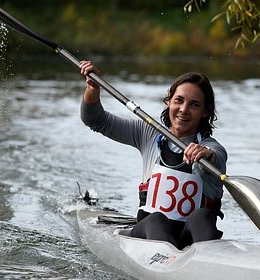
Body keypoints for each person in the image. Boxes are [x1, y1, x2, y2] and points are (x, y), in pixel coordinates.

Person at [80, 60, 228, 250]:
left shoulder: (212, 149)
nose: (184, 110)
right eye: (179, 100)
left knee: (202, 216)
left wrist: (206, 154)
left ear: (205, 111)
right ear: (169, 100)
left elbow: (217, 156)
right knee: (157, 219)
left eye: (194, 105)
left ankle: (211, 264)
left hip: (192, 240)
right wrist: (93, 88)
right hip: (148, 235)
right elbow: (95, 120)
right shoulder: (148, 134)